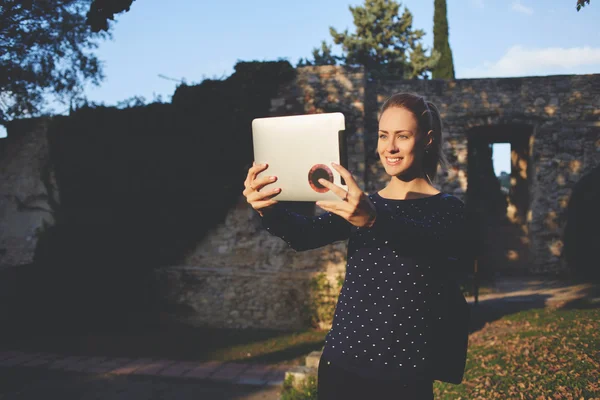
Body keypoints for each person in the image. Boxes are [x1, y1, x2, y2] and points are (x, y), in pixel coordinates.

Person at [243, 93, 472, 399]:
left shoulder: (448, 210)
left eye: (402, 136)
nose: (389, 147)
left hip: (404, 374)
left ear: (427, 140)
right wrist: (266, 209)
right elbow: (306, 235)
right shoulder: (364, 204)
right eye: (383, 135)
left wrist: (375, 221)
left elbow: (437, 250)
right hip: (341, 367)